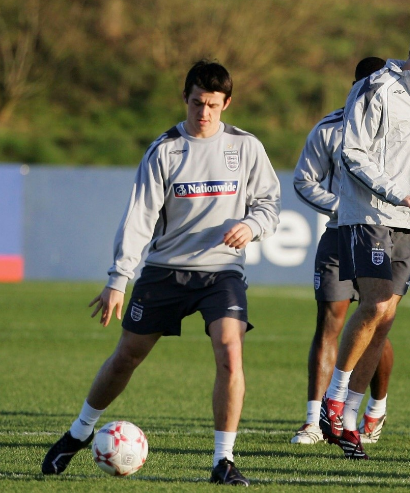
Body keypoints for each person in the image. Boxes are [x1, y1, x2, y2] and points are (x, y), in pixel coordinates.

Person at [41, 60, 281, 485]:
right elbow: (140, 218)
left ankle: (222, 462)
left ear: (227, 103)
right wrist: (119, 278)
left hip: (221, 273)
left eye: (212, 104)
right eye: (195, 103)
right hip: (164, 272)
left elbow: (269, 205)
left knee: (230, 351)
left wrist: (252, 225)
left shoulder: (246, 148)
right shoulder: (165, 150)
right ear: (183, 99)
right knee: (126, 357)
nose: (203, 113)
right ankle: (79, 433)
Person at [318, 22, 410, 459]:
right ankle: (332, 399)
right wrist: (397, 193)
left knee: (385, 320)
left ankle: (349, 423)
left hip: (408, 219)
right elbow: (352, 154)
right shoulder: (374, 88)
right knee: (376, 304)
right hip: (369, 214)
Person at [291, 57, 396, 446]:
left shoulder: (401, 128)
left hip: (385, 236)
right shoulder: (330, 129)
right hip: (339, 236)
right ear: (354, 87)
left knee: (377, 324)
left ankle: (376, 409)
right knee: (329, 323)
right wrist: (341, 207)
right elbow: (304, 180)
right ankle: (313, 421)